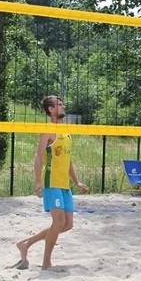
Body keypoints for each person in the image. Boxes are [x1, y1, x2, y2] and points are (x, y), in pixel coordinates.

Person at [13, 95, 89, 269]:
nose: (63, 106)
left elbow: (68, 159)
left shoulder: (66, 130)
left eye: (62, 103)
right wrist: (38, 182)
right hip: (51, 182)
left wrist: (77, 182)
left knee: (67, 224)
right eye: (59, 105)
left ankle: (26, 244)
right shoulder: (47, 129)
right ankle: (46, 262)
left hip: (64, 184)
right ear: (51, 109)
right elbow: (38, 157)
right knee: (58, 221)